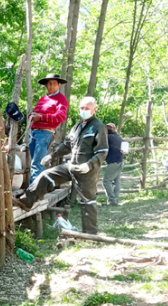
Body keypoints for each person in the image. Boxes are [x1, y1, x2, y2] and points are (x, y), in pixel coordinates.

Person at [13, 97, 108, 234]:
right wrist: (52, 155)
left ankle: (90, 233)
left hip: (87, 170)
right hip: (72, 166)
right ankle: (26, 201)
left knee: (88, 200)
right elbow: (67, 145)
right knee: (46, 175)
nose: (84, 111)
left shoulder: (98, 127)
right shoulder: (77, 127)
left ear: (94, 109)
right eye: (82, 108)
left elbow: (102, 151)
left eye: (87, 108)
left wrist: (89, 165)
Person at [28, 73, 69, 182]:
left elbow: (61, 116)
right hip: (34, 132)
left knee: (37, 162)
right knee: (34, 162)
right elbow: (35, 112)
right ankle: (37, 188)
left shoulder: (61, 99)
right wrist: (32, 115)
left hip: (45, 133)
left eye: (53, 83)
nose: (50, 86)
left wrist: (41, 117)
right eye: (48, 84)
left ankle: (33, 192)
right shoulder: (43, 99)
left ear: (58, 85)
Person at [102, 123, 124, 206]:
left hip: (113, 162)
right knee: (117, 181)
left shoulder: (107, 137)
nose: (107, 129)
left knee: (106, 181)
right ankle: (116, 200)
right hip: (121, 161)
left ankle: (112, 200)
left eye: (108, 127)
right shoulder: (119, 138)